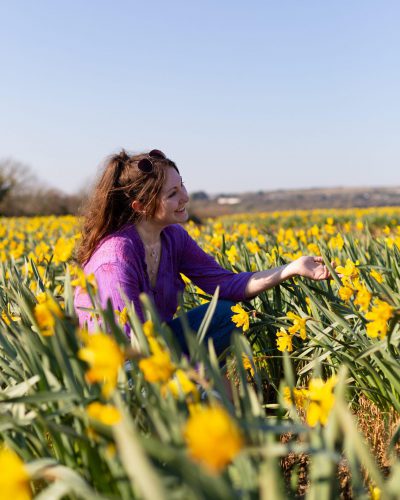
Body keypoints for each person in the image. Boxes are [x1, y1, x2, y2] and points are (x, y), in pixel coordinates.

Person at [74, 149, 330, 357]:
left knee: (226, 314)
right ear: (140, 206)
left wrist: (292, 268)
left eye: (182, 185)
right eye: (173, 193)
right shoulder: (115, 259)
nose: (185, 197)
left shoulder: (173, 237)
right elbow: (131, 344)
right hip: (117, 362)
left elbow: (226, 285)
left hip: (156, 345)